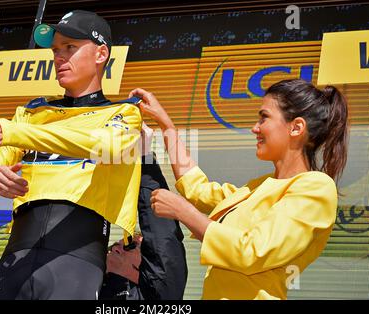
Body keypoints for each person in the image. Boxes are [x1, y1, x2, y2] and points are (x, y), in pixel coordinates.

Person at [0, 10, 143, 299]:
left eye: (70, 47)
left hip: (76, 262)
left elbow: (106, 146)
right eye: (56, 49)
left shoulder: (124, 114)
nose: (59, 57)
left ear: (100, 54)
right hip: (13, 260)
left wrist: (16, 132)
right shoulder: (31, 114)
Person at [130, 79, 349, 300]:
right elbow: (197, 188)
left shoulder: (316, 188)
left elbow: (254, 251)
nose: (255, 128)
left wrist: (184, 213)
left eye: (264, 117)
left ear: (296, 127)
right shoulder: (258, 187)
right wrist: (166, 125)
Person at [100, 123, 188, 300]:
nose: (117, 246)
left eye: (130, 245)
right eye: (117, 244)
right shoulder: (83, 285)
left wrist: (144, 157)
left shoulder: (158, 298)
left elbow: (162, 239)